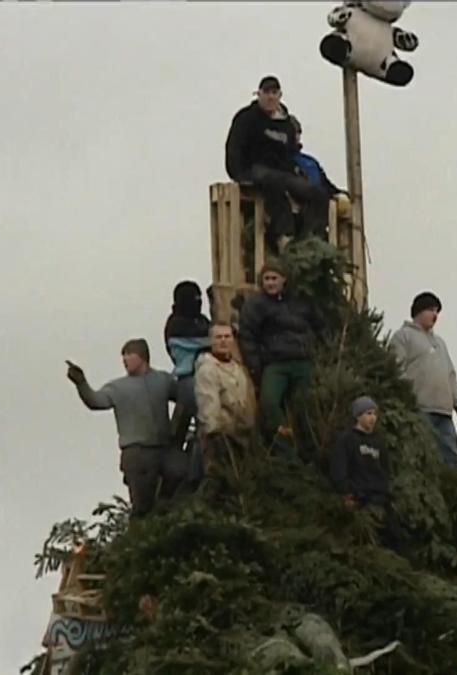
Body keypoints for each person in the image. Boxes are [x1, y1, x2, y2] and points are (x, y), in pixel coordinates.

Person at [66, 339, 186, 517]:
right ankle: (139, 537)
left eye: (130, 354)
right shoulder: (117, 387)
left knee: (181, 470)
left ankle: (164, 513)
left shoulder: (162, 380)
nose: (125, 359)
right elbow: (95, 401)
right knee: (142, 506)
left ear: (142, 357)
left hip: (164, 448)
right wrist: (81, 383)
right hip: (136, 452)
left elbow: (184, 395)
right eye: (123, 355)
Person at [224, 75, 330, 249]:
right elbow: (234, 147)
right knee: (273, 184)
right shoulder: (246, 118)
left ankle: (309, 240)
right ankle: (284, 236)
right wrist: (238, 174)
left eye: (274, 92)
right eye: (266, 92)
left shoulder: (286, 124)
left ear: (280, 95)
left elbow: (290, 154)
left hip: (283, 172)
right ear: (258, 94)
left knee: (317, 194)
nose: (270, 97)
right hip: (254, 169)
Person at [237, 261, 323, 456]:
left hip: (302, 361)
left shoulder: (301, 301)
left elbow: (320, 326)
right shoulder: (256, 305)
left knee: (305, 405)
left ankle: (308, 448)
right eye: (266, 279)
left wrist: (317, 350)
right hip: (275, 363)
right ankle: (284, 444)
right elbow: (248, 337)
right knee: (269, 402)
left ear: (284, 279)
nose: (270, 283)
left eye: (274, 278)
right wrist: (256, 368)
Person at [387, 292, 457, 470]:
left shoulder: (440, 343)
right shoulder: (403, 337)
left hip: (444, 413)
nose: (435, 315)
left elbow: (450, 375)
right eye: (431, 310)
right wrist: (406, 399)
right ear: (419, 311)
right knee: (422, 456)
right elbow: (396, 369)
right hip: (419, 408)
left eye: (437, 311)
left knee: (451, 458)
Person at [194, 322, 256, 478]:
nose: (223, 340)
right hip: (221, 439)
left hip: (244, 436)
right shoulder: (207, 370)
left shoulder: (239, 369)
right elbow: (208, 408)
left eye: (227, 336)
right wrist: (216, 434)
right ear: (211, 341)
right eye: (218, 337)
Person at [164, 281, 211, 448]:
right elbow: (199, 342)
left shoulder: (202, 320)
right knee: (184, 423)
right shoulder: (176, 324)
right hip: (188, 378)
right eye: (194, 298)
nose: (197, 301)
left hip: (207, 376)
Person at [329, 396, 390, 509]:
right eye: (368, 413)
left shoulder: (378, 441)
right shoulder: (347, 439)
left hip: (378, 498)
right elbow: (338, 469)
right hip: (357, 497)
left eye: (374, 414)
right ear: (358, 416)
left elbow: (384, 470)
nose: (373, 418)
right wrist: (347, 492)